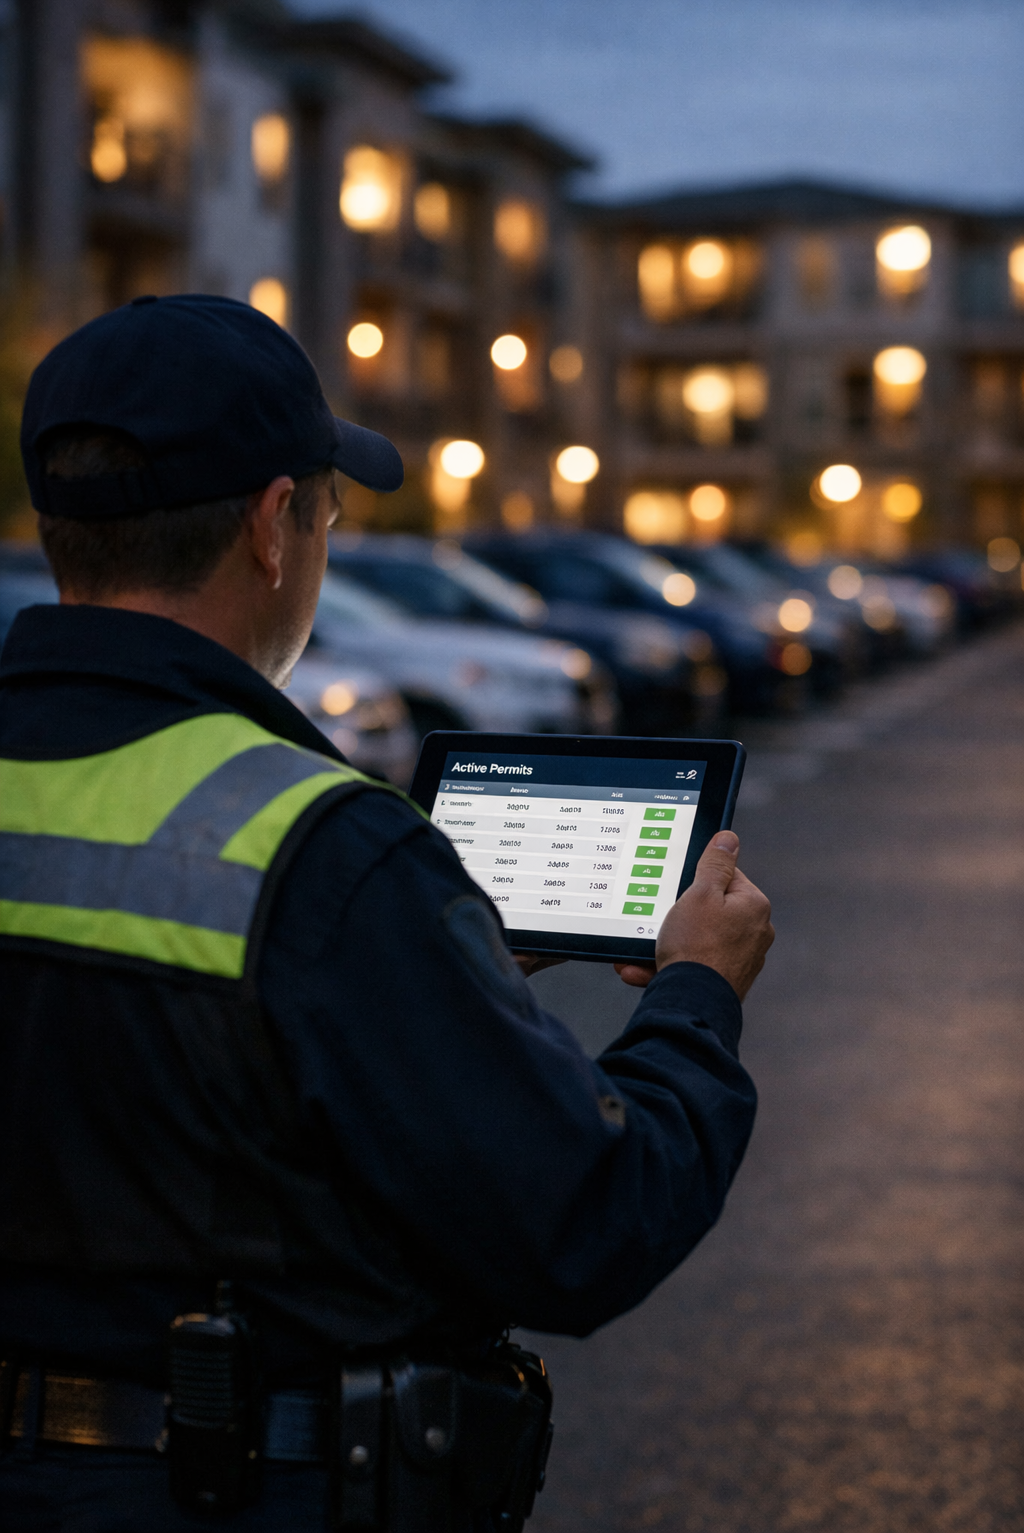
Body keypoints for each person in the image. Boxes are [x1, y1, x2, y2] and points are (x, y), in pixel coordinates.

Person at [0, 295, 774, 1532]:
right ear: (271, 526)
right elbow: (586, 1222)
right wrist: (697, 992)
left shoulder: (342, 885)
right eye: (328, 513)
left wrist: (440, 979)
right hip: (221, 1493)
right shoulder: (328, 852)